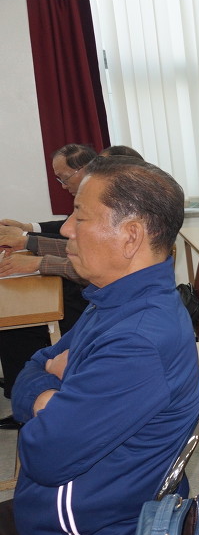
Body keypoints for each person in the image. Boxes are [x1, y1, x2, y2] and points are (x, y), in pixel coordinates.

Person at [0, 156, 199, 535]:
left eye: (80, 215)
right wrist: (48, 396)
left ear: (130, 236)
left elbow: (43, 454)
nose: (67, 229)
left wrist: (44, 395)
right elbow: (30, 370)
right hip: (54, 515)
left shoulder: (138, 339)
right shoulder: (113, 299)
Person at [0, 145, 103, 412]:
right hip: (89, 298)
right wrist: (28, 234)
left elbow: (89, 265)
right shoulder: (90, 198)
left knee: (21, 325)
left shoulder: (102, 203)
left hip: (88, 300)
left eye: (64, 178)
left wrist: (35, 256)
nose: (62, 185)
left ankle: (24, 393)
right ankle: (21, 386)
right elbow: (67, 238)